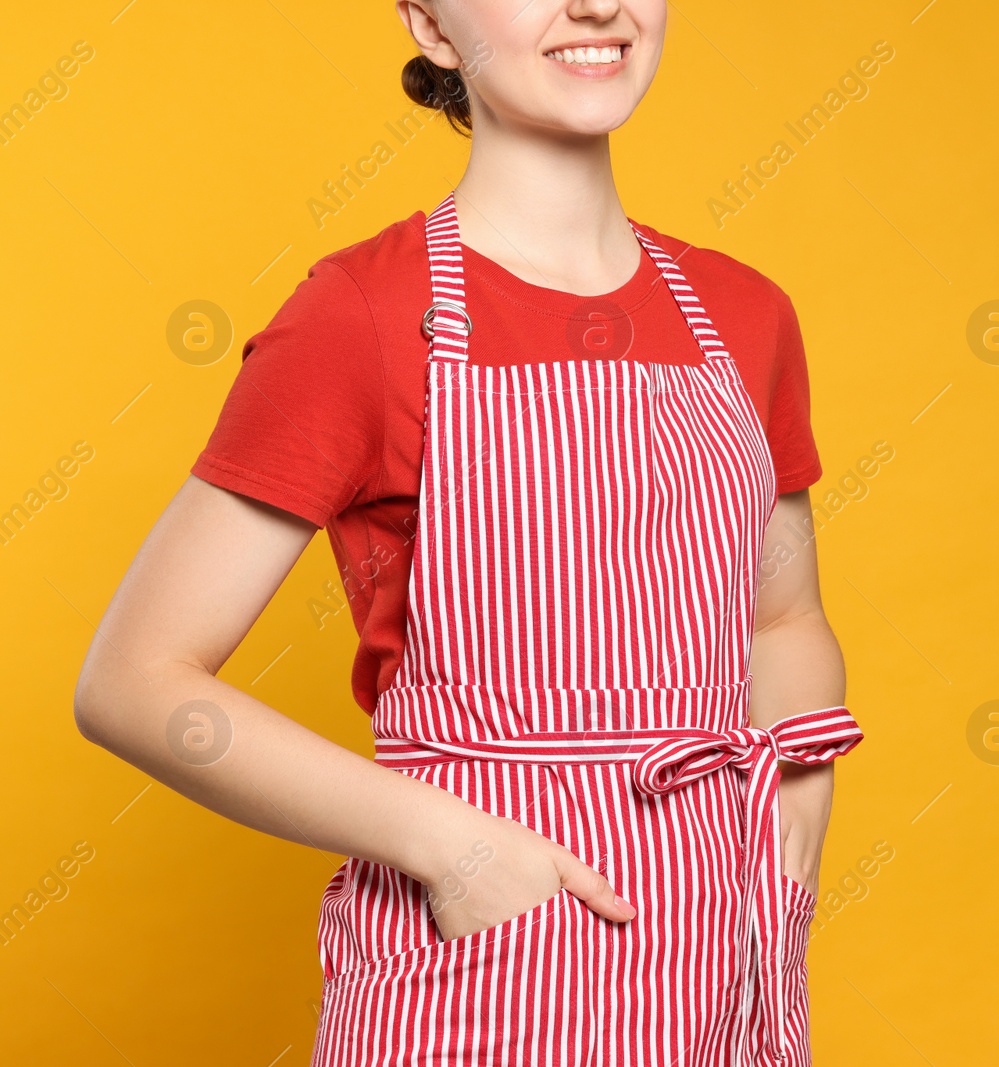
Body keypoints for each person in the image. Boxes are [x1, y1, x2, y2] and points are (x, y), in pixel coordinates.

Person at [71, 2, 863, 1063]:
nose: (595, 3)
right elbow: (133, 680)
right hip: (480, 971)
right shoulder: (359, 314)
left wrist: (799, 790)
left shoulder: (745, 316)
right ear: (432, 28)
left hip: (715, 950)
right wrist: (455, 848)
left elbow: (785, 616)